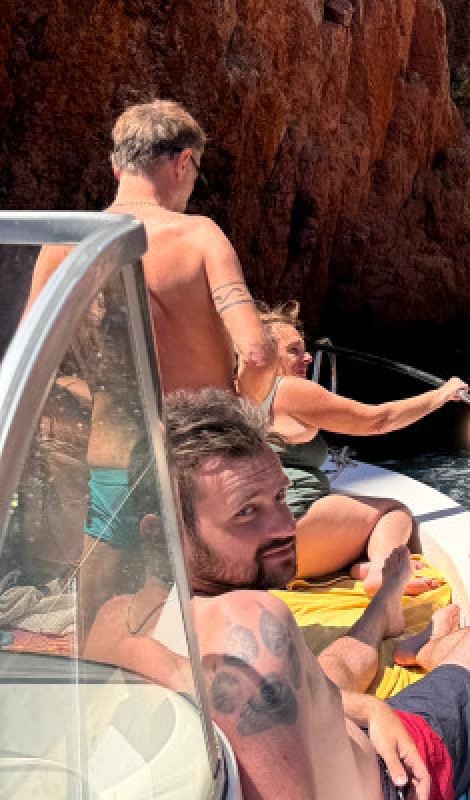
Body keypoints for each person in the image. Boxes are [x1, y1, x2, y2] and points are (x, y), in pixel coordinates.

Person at [86, 389, 470, 800]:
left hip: (346, 723)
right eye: (246, 512)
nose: (283, 527)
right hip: (397, 776)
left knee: (330, 671)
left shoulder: (112, 624)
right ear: (162, 533)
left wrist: (369, 710)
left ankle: (383, 610)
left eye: (280, 497)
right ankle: (429, 649)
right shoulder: (249, 626)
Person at [21, 99, 275, 628]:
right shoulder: (200, 235)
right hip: (200, 453)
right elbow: (257, 351)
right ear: (182, 163)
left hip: (113, 450)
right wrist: (246, 414)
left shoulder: (66, 245)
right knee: (212, 607)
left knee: (103, 615)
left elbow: (31, 361)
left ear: (117, 167)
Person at [256, 304, 469, 593]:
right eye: (294, 350)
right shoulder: (288, 390)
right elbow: (378, 420)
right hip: (292, 537)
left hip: (256, 545)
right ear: (265, 356)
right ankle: (382, 572)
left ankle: (359, 565)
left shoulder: (238, 390)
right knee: (394, 512)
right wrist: (440, 396)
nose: (307, 357)